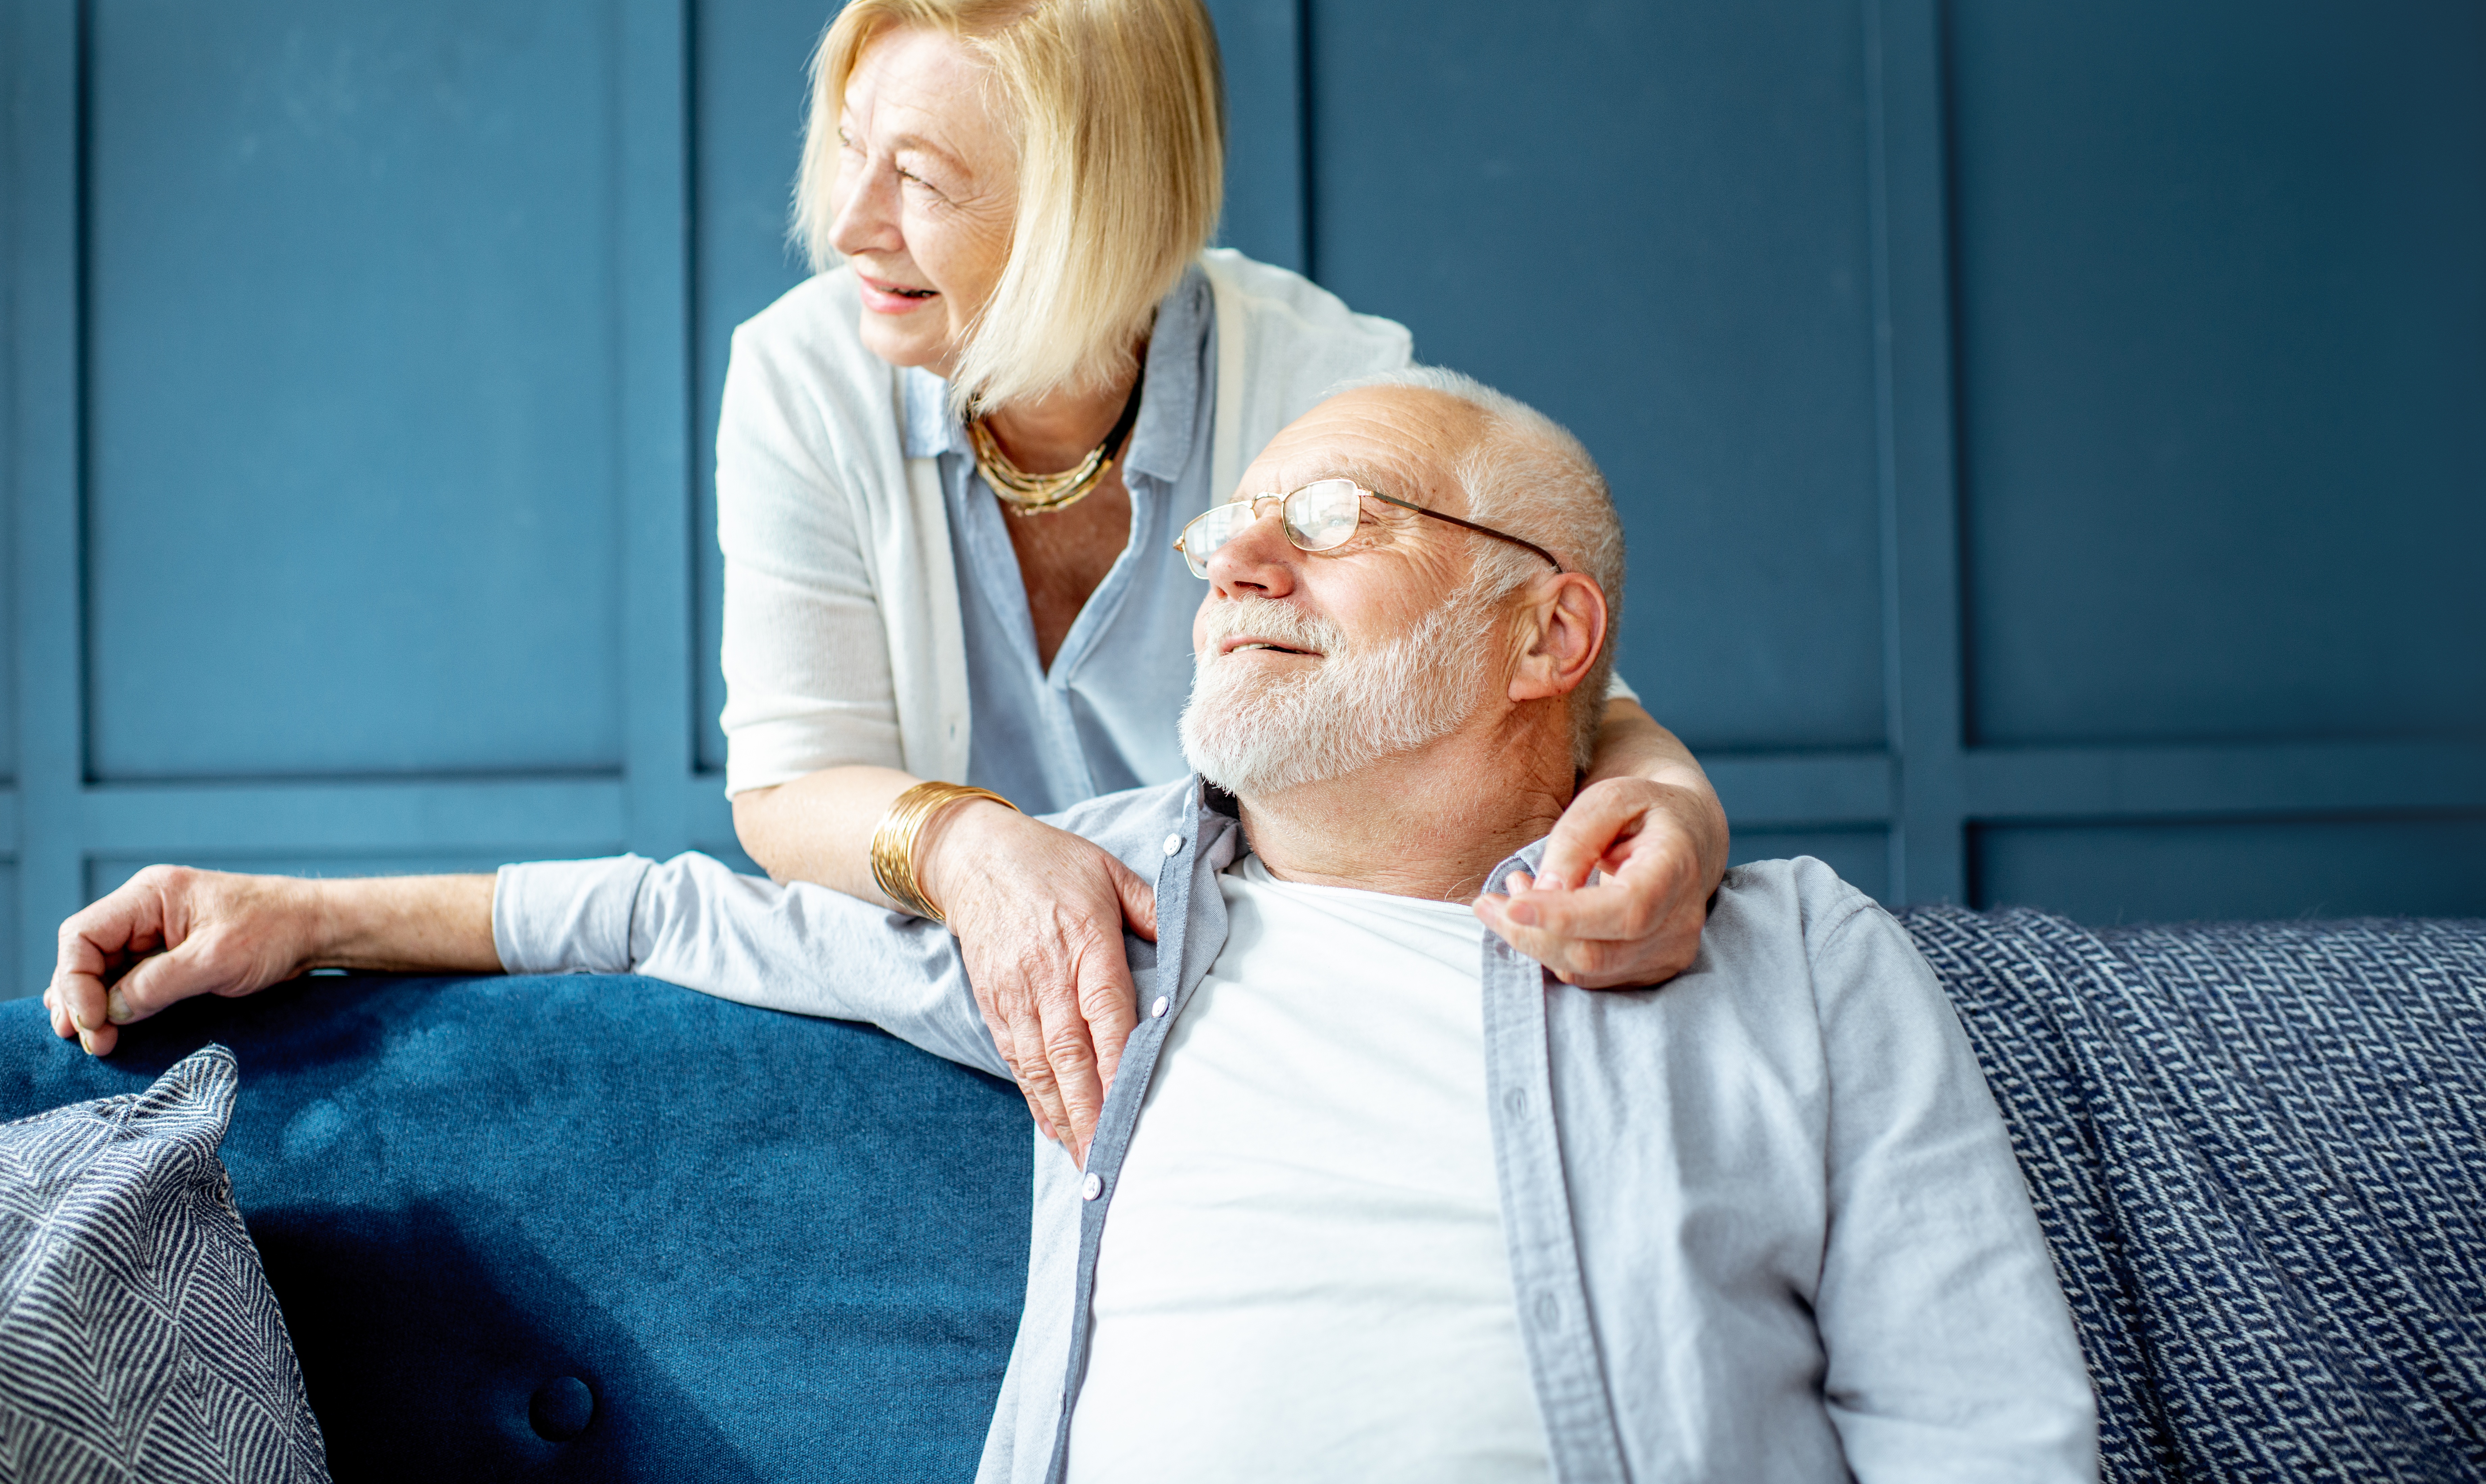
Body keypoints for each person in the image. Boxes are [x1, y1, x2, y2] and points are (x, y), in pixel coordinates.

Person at [46, 374, 2095, 1484]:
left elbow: (1983, 1424)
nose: (1237, 564)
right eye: (1227, 531)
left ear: (1545, 629)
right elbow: (689, 913)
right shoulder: (1096, 898)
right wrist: (302, 908)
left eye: (1337, 520)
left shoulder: (1797, 959)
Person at [709, 0, 1731, 1159]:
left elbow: (1557, 685)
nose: (849, 222)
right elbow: (789, 784)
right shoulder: (799, 374)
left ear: (1092, 213)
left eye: (918, 177)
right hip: (944, 1022)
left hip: (1268, 1025)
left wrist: (1682, 822)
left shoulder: (1331, 380)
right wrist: (976, 851)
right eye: (852, 148)